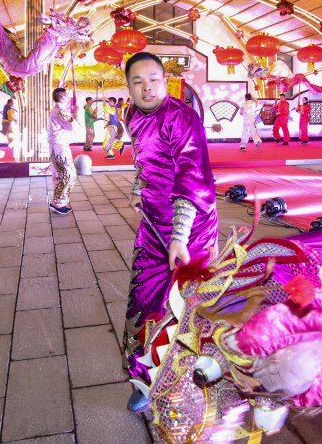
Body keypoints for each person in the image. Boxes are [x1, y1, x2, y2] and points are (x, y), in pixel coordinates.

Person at [122, 52, 219, 413]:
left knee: (184, 306)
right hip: (153, 222)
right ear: (128, 87)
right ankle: (144, 377)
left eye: (153, 79)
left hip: (191, 227)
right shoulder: (132, 114)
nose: (146, 87)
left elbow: (191, 177)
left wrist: (179, 236)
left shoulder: (182, 117)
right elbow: (144, 159)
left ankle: (186, 375)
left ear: (165, 81)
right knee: (143, 297)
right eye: (137, 81)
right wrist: (139, 189)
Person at [47, 87, 78, 215]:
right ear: (62, 97)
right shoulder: (60, 111)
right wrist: (76, 114)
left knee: (62, 174)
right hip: (59, 146)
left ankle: (59, 201)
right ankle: (58, 202)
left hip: (58, 145)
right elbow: (73, 126)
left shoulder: (57, 110)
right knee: (68, 174)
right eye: (66, 96)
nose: (68, 98)